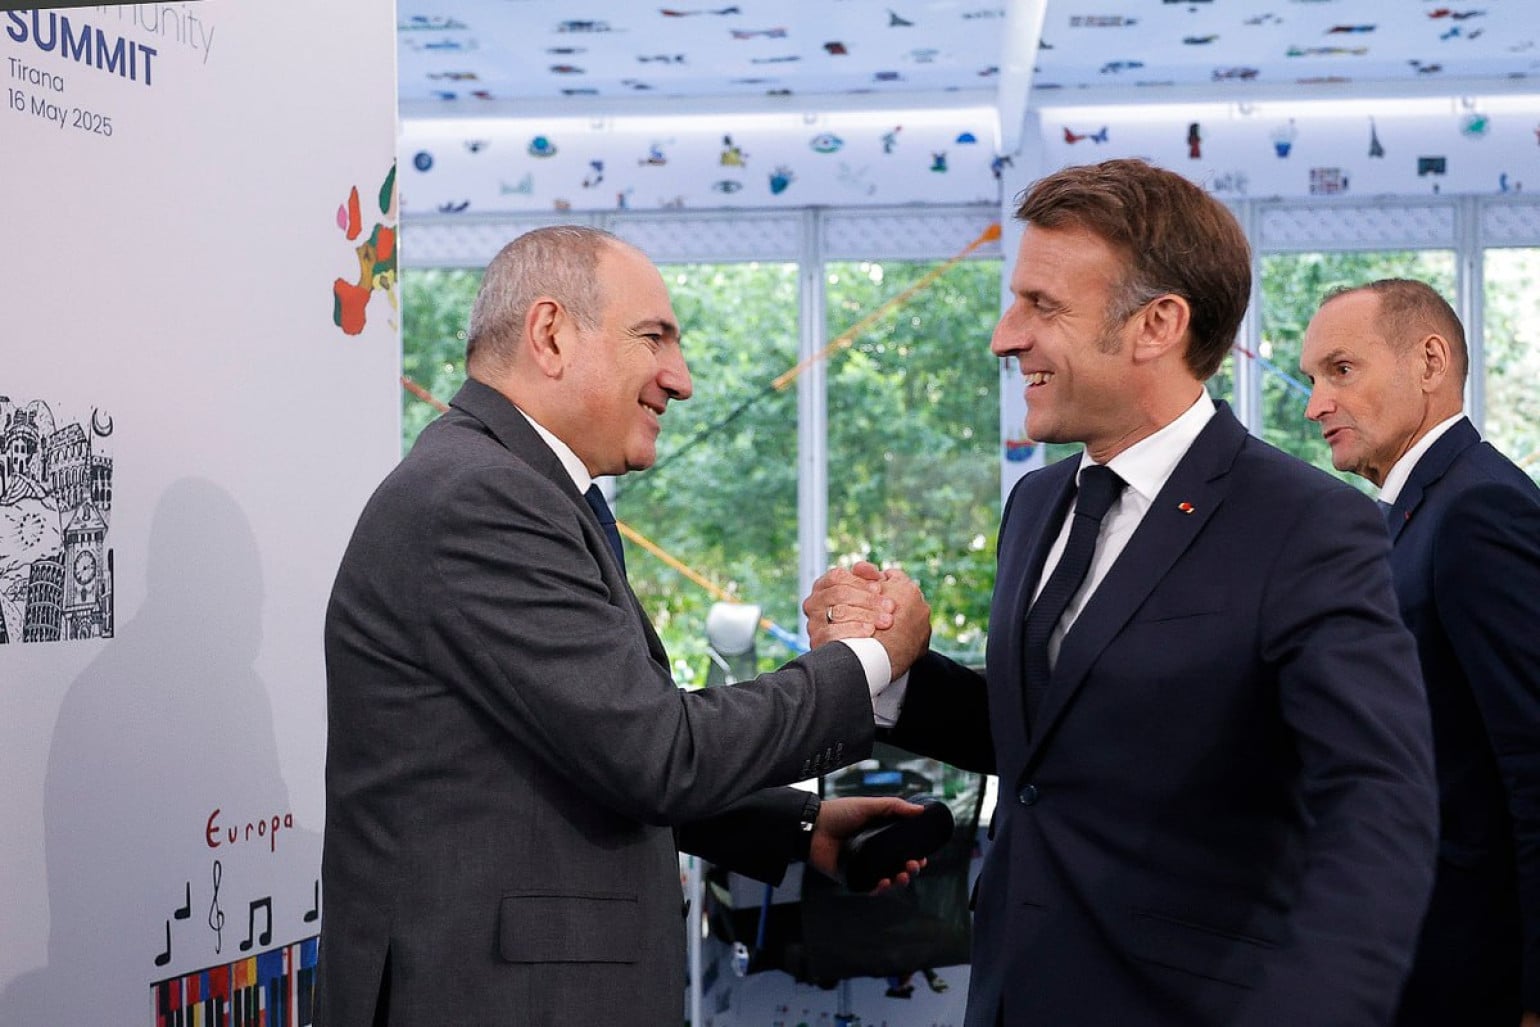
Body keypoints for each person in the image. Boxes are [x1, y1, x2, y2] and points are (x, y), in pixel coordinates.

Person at [808, 158, 1438, 1027]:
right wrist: (892, 667)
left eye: (1043, 306)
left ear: (1158, 325)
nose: (1004, 336)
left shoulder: (1308, 524)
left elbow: (1378, 810)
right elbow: (1057, 739)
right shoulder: (1037, 504)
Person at [314, 225, 932, 1026]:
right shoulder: (481, 498)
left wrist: (803, 827)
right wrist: (871, 656)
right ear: (550, 334)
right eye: (654, 338)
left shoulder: (517, 488)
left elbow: (590, 748)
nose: (681, 379)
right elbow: (658, 753)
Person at [1301, 279, 1540, 1027]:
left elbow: (1535, 762)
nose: (1314, 405)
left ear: (1430, 362)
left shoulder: (1478, 508)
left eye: (1341, 370)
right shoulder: (1415, 511)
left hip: (1475, 975)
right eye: (1313, 379)